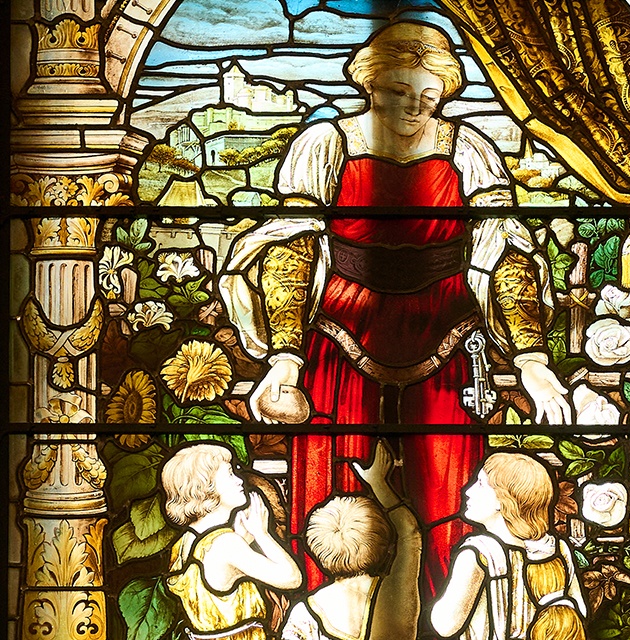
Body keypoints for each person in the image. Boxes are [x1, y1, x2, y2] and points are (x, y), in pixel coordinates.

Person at [219, 20, 571, 592]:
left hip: (448, 339)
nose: (414, 107)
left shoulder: (467, 149)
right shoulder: (326, 145)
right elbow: (292, 251)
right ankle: (330, 611)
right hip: (342, 338)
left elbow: (502, 248)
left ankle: (451, 608)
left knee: (449, 495)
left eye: (429, 96)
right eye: (400, 91)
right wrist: (284, 358)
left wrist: (531, 359)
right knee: (338, 494)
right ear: (370, 83)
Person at [431, 452, 587, 640]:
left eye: (480, 484)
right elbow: (580, 610)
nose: (468, 491)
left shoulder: (479, 553)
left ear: (503, 499)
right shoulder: (558, 549)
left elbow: (445, 626)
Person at [281, 440, 422, 640]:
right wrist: (379, 484)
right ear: (380, 541)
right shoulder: (393, 595)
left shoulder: (305, 613)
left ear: (318, 550)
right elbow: (411, 533)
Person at [163, 444, 303, 640]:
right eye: (229, 474)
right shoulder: (226, 544)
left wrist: (243, 537)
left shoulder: (186, 541)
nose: (239, 481)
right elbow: (292, 579)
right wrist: (262, 534)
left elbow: (221, 575)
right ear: (206, 486)